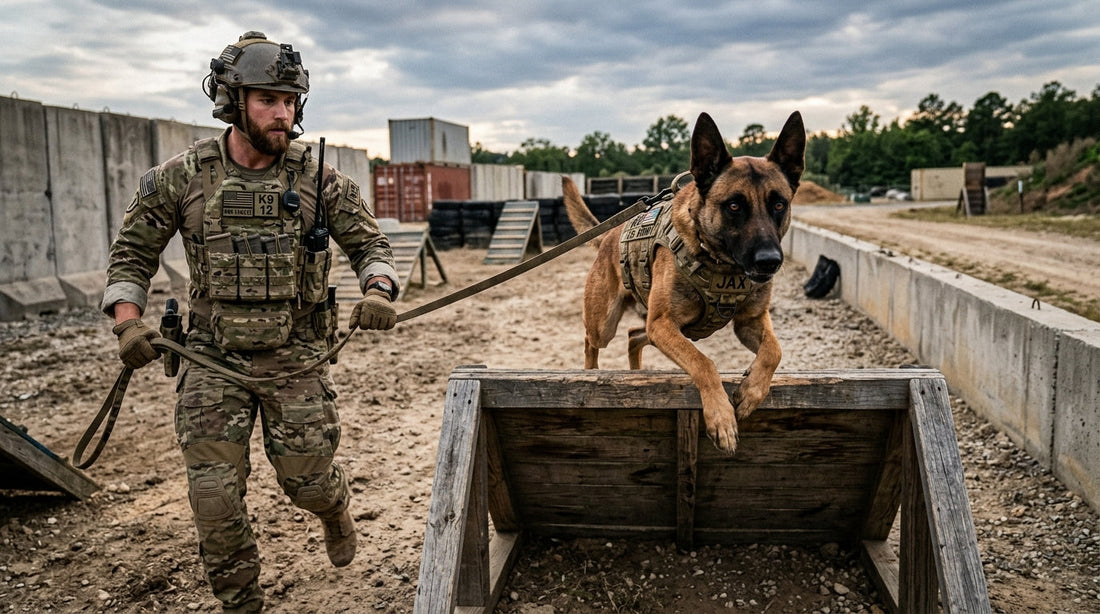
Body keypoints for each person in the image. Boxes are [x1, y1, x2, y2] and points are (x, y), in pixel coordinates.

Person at [101, 31, 400, 613]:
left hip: (297, 356)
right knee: (213, 497)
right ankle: (242, 604)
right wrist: (129, 322)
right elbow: (130, 253)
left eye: (291, 100)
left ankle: (334, 510)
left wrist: (379, 289)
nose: (283, 113)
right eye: (269, 99)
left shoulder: (318, 180)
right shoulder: (181, 176)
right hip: (212, 357)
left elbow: (372, 246)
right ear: (234, 101)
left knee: (306, 481)